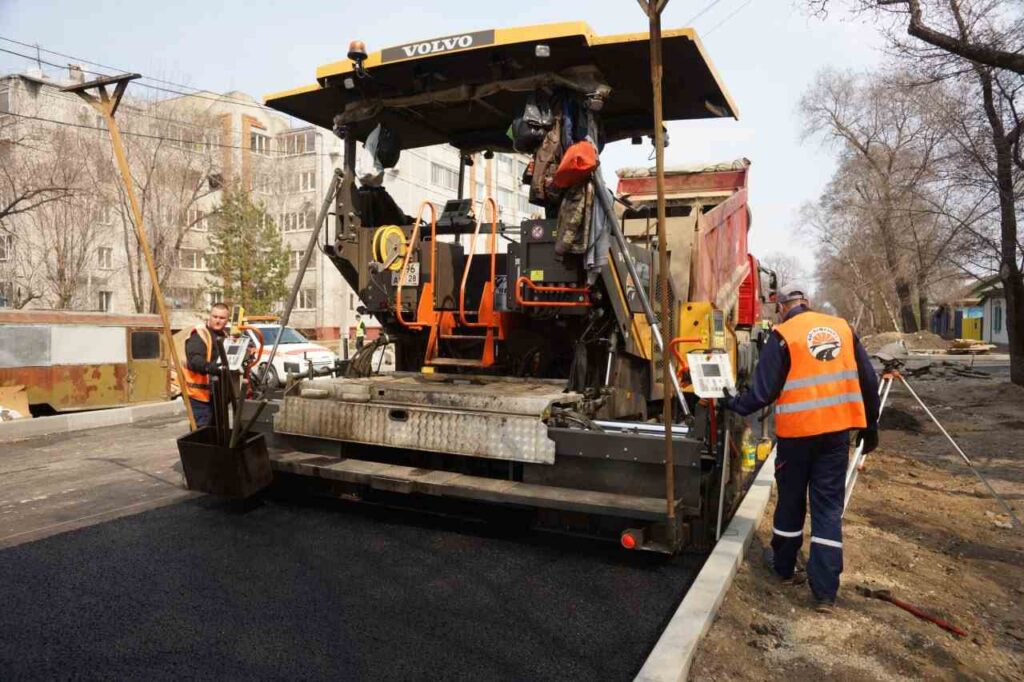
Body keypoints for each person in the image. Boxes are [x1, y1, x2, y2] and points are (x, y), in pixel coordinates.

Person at [723, 283, 880, 612]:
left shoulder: (784, 334)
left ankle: (783, 567)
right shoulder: (843, 329)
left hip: (797, 437)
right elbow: (868, 380)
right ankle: (824, 592)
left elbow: (762, 393)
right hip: (836, 435)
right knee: (827, 509)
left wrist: (733, 403)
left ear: (782, 307)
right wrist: (871, 426)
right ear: (807, 303)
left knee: (791, 502)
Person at [183, 302, 230, 428]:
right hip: (200, 396)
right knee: (202, 432)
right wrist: (211, 367)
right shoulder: (199, 334)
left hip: (217, 395)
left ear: (227, 320)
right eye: (215, 317)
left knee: (217, 432)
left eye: (222, 318)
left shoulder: (225, 336)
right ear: (209, 316)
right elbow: (195, 360)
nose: (218, 321)